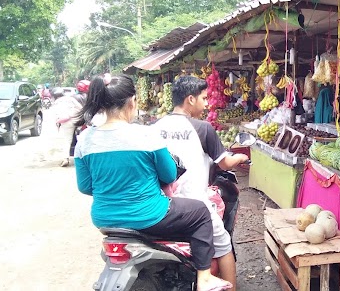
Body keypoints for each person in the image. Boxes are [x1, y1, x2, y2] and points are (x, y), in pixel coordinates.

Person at [73, 74, 231, 291]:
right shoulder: (145, 135)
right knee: (200, 212)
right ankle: (204, 277)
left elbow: (85, 186)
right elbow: (168, 175)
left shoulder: (84, 140)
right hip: (150, 215)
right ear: (132, 102)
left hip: (104, 219)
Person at [153, 76, 249, 290]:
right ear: (190, 99)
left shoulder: (155, 127)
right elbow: (224, 164)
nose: (206, 104)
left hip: (161, 206)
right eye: (204, 99)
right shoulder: (203, 129)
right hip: (195, 205)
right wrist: (241, 158)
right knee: (223, 245)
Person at [52, 84, 86, 167]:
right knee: (83, 137)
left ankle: (65, 159)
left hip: (66, 123)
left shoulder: (56, 103)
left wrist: (58, 123)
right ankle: (85, 156)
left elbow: (56, 115)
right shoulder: (70, 98)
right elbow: (81, 108)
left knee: (67, 141)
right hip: (78, 120)